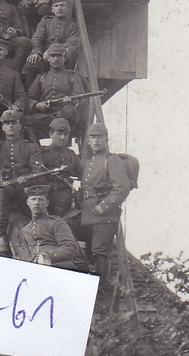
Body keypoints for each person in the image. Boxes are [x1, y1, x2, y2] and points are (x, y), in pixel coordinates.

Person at [78, 122, 132, 295]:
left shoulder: (112, 160)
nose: (96, 141)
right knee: (87, 251)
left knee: (100, 252)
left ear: (106, 139)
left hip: (104, 215)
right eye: (92, 137)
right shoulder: (88, 162)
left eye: (99, 137)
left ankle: (102, 290)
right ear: (87, 141)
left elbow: (122, 188)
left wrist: (104, 205)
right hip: (87, 214)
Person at [0, 110, 44, 256]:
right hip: (6, 188)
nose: (10, 126)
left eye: (14, 123)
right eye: (7, 124)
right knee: (3, 192)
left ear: (20, 125)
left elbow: (38, 171)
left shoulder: (31, 147)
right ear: (2, 127)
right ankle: (1, 234)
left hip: (25, 189)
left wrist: (27, 178)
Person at [27, 43, 89, 135]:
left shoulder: (73, 76)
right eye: (53, 56)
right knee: (26, 120)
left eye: (59, 56)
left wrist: (71, 102)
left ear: (64, 58)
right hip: (47, 115)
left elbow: (81, 98)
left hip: (66, 116)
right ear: (48, 58)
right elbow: (29, 98)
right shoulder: (42, 77)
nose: (56, 59)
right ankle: (36, 148)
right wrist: (37, 104)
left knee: (69, 111)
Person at [19, 186, 85, 269]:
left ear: (47, 203)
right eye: (33, 199)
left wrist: (48, 256)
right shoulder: (25, 230)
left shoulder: (56, 223)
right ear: (27, 202)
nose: (37, 203)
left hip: (59, 265)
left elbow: (71, 247)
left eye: (41, 199)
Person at [39, 117, 83, 217]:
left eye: (65, 134)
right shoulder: (43, 154)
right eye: (59, 134)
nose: (63, 137)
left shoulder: (71, 155)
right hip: (50, 197)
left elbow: (82, 173)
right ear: (51, 134)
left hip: (69, 196)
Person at [27, 0, 80, 71]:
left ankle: (67, 77)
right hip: (45, 53)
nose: (59, 8)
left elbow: (73, 42)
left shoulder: (73, 24)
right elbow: (37, 37)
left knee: (71, 51)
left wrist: (52, 51)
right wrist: (36, 52)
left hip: (63, 53)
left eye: (62, 5)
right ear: (52, 10)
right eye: (56, 6)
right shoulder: (45, 21)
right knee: (31, 63)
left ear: (67, 8)